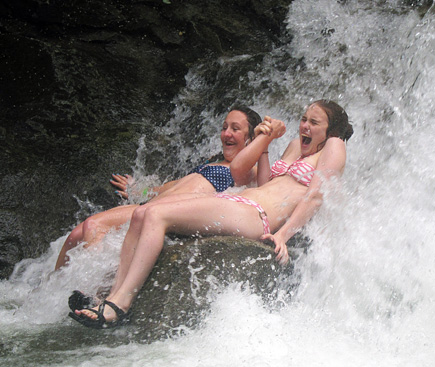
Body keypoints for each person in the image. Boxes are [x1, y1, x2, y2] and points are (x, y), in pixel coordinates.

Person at [69, 99, 353, 329]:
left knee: (157, 216)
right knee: (143, 213)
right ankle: (110, 298)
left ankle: (122, 305)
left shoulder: (334, 146)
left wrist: (283, 235)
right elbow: (265, 183)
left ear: (331, 131)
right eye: (303, 118)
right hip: (240, 201)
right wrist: (264, 144)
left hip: (255, 215)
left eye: (314, 122)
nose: (304, 125)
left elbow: (316, 196)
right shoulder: (295, 147)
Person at [55, 106, 262, 270]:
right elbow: (167, 188)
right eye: (225, 127)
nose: (226, 133)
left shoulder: (246, 171)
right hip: (153, 205)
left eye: (235, 129)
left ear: (251, 139)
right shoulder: (213, 163)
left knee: (93, 225)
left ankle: (93, 294)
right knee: (76, 234)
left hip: (165, 214)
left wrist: (264, 141)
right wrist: (137, 191)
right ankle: (48, 291)